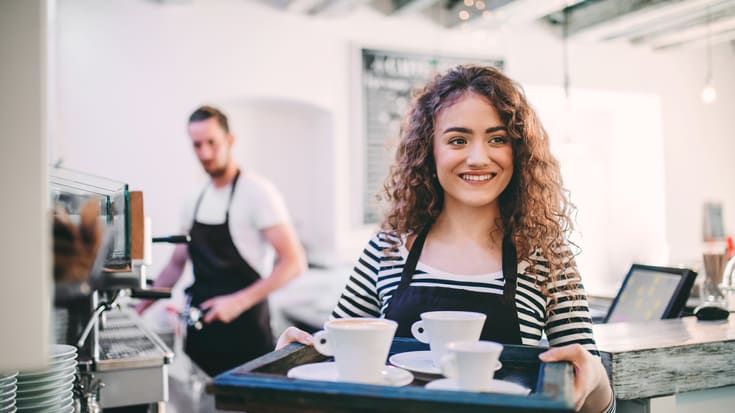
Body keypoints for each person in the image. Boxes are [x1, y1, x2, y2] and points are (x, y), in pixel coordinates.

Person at [279, 66, 614, 412]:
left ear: (518, 150)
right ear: (430, 151)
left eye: (497, 139)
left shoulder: (547, 256)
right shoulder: (388, 249)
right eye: (458, 140)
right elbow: (337, 357)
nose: (478, 157)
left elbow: (591, 387)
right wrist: (296, 354)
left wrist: (596, 379)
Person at [138, 105, 307, 377]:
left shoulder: (258, 193)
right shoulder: (194, 199)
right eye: (196, 145)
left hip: (246, 336)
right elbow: (176, 264)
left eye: (211, 143)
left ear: (230, 141)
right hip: (201, 338)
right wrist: (139, 309)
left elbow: (294, 262)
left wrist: (237, 302)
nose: (204, 153)